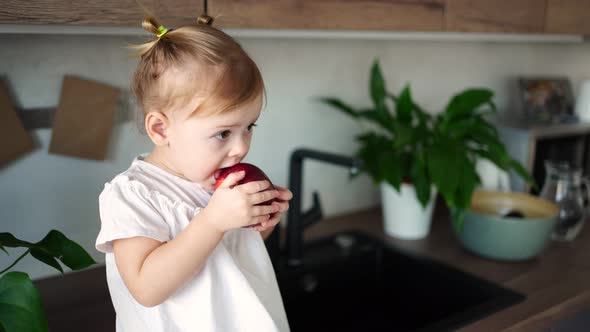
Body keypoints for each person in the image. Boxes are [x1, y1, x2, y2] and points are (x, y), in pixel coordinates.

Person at [95, 13, 292, 332]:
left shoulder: (224, 179)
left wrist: (261, 218)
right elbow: (146, 289)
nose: (241, 148)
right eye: (224, 133)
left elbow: (235, 250)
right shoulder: (132, 194)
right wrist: (213, 221)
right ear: (161, 129)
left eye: (249, 127)